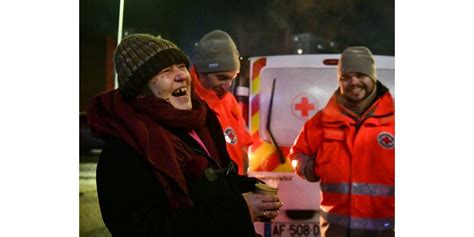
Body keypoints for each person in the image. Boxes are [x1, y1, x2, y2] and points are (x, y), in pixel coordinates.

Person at [87, 34, 283, 236]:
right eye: (166, 71)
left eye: (181, 66)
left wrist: (250, 186)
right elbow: (147, 229)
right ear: (140, 89)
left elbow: (219, 180)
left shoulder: (200, 122)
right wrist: (240, 211)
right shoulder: (123, 151)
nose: (182, 75)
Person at [289, 46, 394, 237]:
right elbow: (297, 155)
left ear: (372, 77)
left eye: (360, 75)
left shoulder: (395, 120)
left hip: (386, 230)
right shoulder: (322, 121)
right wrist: (311, 168)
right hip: (335, 230)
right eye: (346, 77)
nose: (354, 82)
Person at [190, 30, 252, 175]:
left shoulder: (229, 101)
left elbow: (242, 143)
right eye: (221, 77)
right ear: (201, 72)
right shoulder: (186, 104)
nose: (227, 86)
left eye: (232, 78)